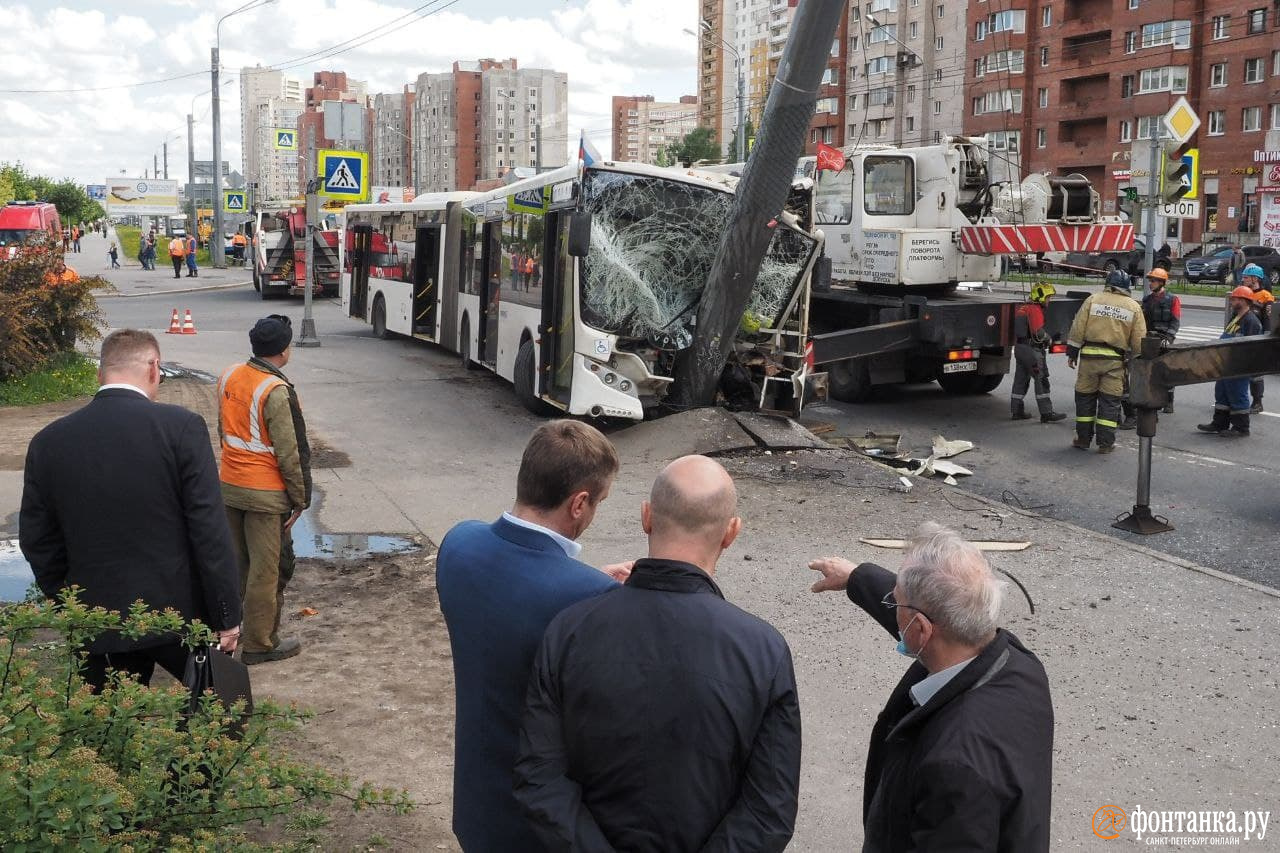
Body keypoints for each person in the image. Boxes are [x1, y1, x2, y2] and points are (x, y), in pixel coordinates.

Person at [515, 455, 801, 853]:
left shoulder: (569, 630)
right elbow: (769, 810)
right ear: (730, 532)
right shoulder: (763, 650)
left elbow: (539, 777)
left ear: (647, 517)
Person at [807, 523, 1054, 852]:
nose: (893, 608)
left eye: (896, 603)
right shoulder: (1020, 665)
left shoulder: (954, 768)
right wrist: (856, 577)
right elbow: (933, 609)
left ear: (921, 629)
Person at [19, 330, 242, 692]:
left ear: (100, 375)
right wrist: (227, 615)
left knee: (112, 730)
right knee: (216, 715)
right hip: (179, 613)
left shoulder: (49, 441)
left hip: (97, 616)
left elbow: (37, 538)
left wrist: (69, 601)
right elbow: (209, 530)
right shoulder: (180, 428)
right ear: (154, 368)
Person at [436, 420, 622, 852]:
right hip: (541, 826)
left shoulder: (458, 544)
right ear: (579, 503)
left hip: (477, 806)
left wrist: (587, 582)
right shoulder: (593, 599)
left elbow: (517, 595)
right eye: (599, 502)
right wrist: (606, 596)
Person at [218, 315, 311, 665]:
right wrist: (300, 498)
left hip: (230, 486)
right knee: (265, 570)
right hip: (265, 495)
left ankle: (228, 630)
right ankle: (259, 643)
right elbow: (290, 452)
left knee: (235, 564)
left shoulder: (230, 375)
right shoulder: (275, 390)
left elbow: (223, 431)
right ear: (285, 351)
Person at [1065, 268, 1147, 453]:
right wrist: (1138, 361)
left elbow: (1077, 327)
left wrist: (1072, 353)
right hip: (1114, 362)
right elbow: (1139, 340)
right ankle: (1105, 444)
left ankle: (1083, 440)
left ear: (1108, 284)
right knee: (1109, 403)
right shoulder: (1133, 306)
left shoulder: (1093, 299)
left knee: (1085, 400)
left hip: (1089, 360)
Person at [1198, 286, 1264, 437]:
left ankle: (1241, 428)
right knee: (1221, 392)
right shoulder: (1236, 317)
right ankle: (1220, 423)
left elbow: (1253, 347)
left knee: (1237, 394)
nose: (1232, 301)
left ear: (1243, 301)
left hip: (1238, 367)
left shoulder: (1251, 321)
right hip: (1225, 364)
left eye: (1234, 299)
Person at [1010, 282, 1067, 423]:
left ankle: (1016, 411)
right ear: (1041, 297)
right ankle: (1047, 412)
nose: (1049, 301)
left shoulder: (1023, 308)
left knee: (1020, 380)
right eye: (1048, 297)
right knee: (1041, 380)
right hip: (1032, 351)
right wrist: (1049, 339)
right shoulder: (1034, 309)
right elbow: (1037, 332)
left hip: (1020, 349)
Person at [1141, 267, 1181, 414]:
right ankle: (1153, 399)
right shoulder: (1147, 300)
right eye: (1150, 280)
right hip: (1150, 340)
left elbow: (1175, 322)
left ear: (1161, 282)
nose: (1150, 283)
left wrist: (1169, 338)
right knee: (1150, 372)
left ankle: (1169, 402)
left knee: (1167, 372)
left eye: (1153, 281)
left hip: (1165, 340)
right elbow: (1142, 321)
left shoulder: (1173, 299)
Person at [1242, 263, 1271, 413]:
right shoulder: (1243, 292)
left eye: (1246, 277)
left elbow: (1268, 320)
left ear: (1255, 278)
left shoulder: (1265, 296)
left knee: (1256, 373)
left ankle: (1257, 402)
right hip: (1242, 336)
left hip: (1257, 337)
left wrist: (1266, 339)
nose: (1243, 279)